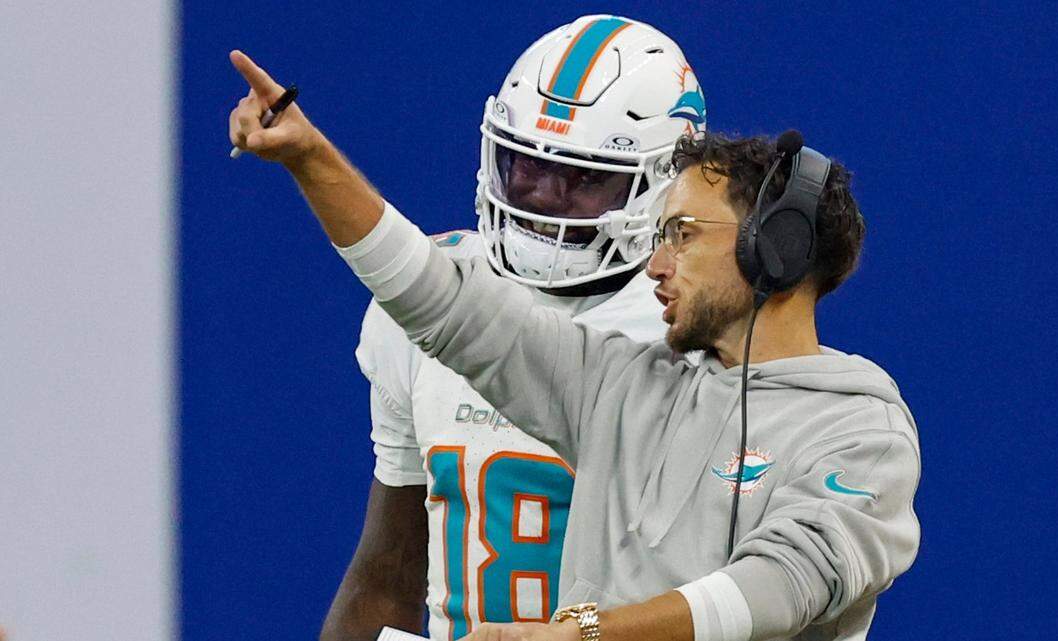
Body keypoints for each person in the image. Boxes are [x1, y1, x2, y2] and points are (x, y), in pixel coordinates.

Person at [227, 45, 920, 641]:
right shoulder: (622, 386)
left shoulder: (862, 426)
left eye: (681, 234)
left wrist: (588, 630)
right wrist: (310, 158)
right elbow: (441, 301)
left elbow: (784, 582)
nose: (655, 261)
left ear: (774, 250)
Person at [234, 16, 707, 641]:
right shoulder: (436, 297)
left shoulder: (701, 333)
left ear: (663, 187)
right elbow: (390, 572)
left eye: (585, 177)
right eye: (528, 165)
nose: (543, 197)